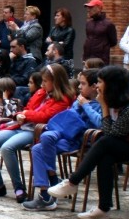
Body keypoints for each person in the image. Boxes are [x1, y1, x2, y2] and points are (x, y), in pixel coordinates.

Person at [48, 65, 129, 219]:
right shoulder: (112, 99)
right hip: (118, 142)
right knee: (105, 158)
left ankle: (72, 182)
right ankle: (103, 207)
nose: (96, 86)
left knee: (104, 142)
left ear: (112, 84)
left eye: (99, 82)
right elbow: (110, 132)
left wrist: (104, 106)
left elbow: (110, 133)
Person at [0, 64, 75, 200]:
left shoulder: (63, 99)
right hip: (21, 126)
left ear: (56, 81)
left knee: (7, 148)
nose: (42, 84)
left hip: (36, 131)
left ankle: (19, 188)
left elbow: (44, 117)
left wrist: (26, 114)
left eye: (45, 81)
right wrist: (20, 114)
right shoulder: (42, 93)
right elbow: (28, 107)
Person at [24, 68, 103, 210]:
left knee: (37, 148)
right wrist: (78, 105)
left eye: (83, 84)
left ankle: (45, 195)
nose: (79, 87)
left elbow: (100, 123)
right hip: (63, 132)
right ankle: (53, 180)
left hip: (79, 139)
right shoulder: (79, 99)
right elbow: (69, 117)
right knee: (46, 136)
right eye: (79, 83)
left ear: (93, 86)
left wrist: (86, 105)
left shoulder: (100, 103)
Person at [82, 0, 117, 65]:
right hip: (87, 58)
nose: (89, 10)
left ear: (99, 8)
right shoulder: (89, 24)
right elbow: (88, 38)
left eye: (91, 7)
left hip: (101, 59)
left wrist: (102, 47)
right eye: (88, 8)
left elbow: (113, 42)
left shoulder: (108, 24)